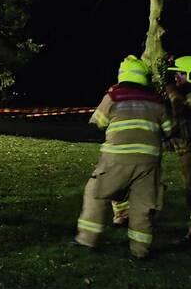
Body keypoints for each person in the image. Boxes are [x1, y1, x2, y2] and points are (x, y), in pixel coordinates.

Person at [75, 55, 172, 259]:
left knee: (95, 193)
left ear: (122, 75)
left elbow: (97, 123)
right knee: (143, 207)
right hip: (149, 162)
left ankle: (87, 240)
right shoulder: (156, 101)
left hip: (117, 159)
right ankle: (140, 250)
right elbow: (169, 130)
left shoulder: (114, 96)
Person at [165, 55, 191, 243]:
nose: (176, 78)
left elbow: (179, 110)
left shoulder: (186, 98)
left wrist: (171, 91)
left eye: (179, 74)